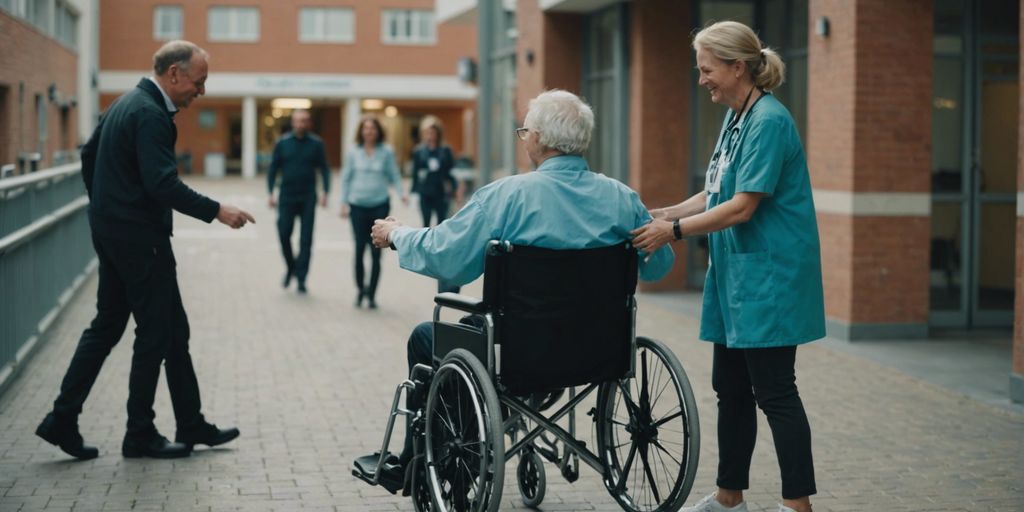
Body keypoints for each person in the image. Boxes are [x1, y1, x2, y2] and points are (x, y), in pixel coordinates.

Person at [360, 89, 675, 493]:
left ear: (541, 139)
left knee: (427, 336)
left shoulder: (507, 196)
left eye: (524, 130)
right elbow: (659, 266)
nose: (523, 138)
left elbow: (447, 255)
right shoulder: (621, 198)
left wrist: (397, 234)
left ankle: (420, 461)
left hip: (518, 349)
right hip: (598, 350)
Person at [631, 21, 824, 512]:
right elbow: (718, 190)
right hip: (737, 277)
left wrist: (672, 233)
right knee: (730, 388)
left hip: (770, 280)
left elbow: (742, 207)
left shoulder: (769, 122)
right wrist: (671, 211)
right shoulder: (737, 116)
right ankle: (728, 496)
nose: (702, 81)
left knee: (775, 391)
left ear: (738, 67)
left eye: (707, 70)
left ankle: (797, 505)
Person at [35, 41, 252, 460]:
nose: (201, 91)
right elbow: (161, 184)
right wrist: (217, 210)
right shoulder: (151, 115)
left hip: (115, 234)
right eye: (199, 81)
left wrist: (105, 207)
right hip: (141, 241)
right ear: (174, 74)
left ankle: (65, 420)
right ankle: (140, 434)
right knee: (155, 333)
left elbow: (88, 156)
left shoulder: (124, 104)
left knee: (124, 327)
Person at [340, 115, 407, 309]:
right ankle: (361, 290)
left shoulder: (386, 151)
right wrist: (343, 203)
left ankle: (372, 294)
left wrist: (402, 193)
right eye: (366, 128)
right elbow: (346, 178)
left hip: (379, 205)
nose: (369, 131)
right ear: (361, 131)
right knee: (360, 249)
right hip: (357, 205)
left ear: (378, 132)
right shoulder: (353, 152)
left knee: (377, 251)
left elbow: (394, 174)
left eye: (373, 128)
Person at [267, 109, 331, 294]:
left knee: (306, 240)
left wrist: (325, 191)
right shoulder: (282, 143)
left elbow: (324, 169)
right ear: (293, 122)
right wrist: (270, 192)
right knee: (284, 233)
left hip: (308, 197)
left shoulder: (317, 144)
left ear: (308, 123)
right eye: (298, 121)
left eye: (304, 121)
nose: (301, 124)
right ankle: (291, 267)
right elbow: (273, 169)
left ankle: (301, 278)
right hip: (286, 196)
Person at [409, 115, 460, 294]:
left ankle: (438, 250)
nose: (430, 135)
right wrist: (413, 191)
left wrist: (454, 190)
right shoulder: (419, 151)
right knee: (425, 222)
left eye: (433, 132)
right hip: (425, 192)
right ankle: (425, 253)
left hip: (441, 193)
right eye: (427, 132)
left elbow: (451, 172)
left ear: (438, 133)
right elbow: (415, 172)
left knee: (441, 223)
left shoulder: (445, 150)